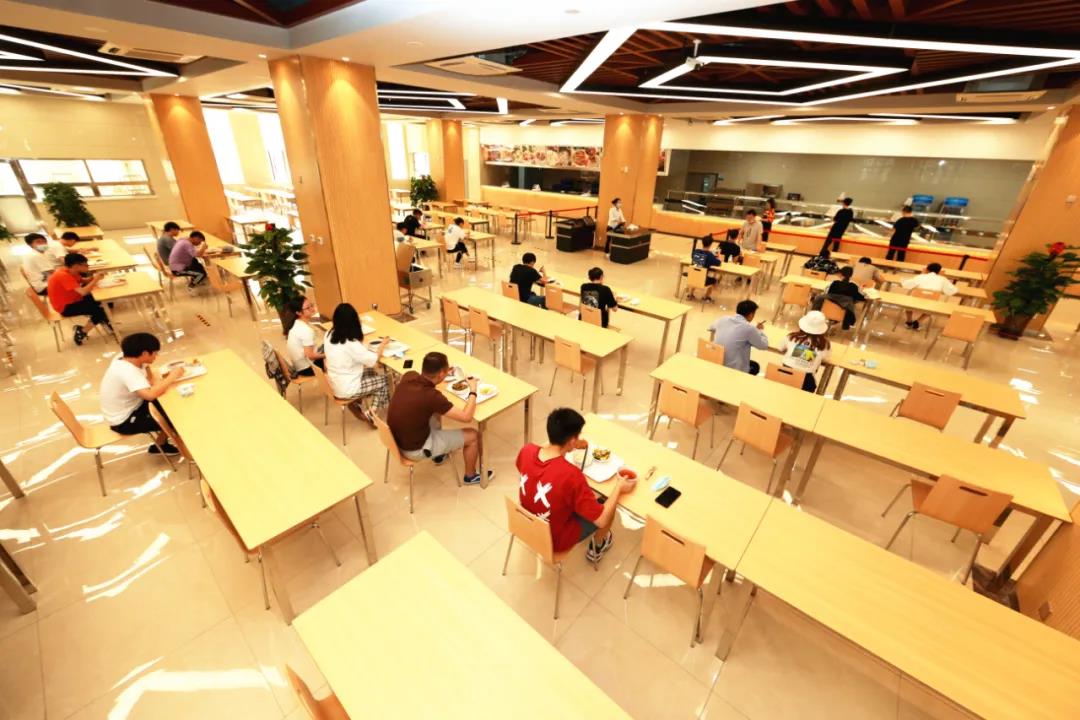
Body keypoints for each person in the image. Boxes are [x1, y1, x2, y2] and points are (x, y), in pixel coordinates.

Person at [517, 407, 636, 564]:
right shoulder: (571, 475)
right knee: (606, 504)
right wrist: (619, 487)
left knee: (571, 496)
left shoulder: (527, 450)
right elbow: (601, 520)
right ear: (572, 440)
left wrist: (570, 445)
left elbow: (534, 468)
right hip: (554, 539)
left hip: (524, 523)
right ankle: (597, 547)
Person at [386, 350, 492, 485]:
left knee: (435, 412)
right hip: (415, 449)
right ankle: (470, 476)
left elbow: (427, 388)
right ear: (441, 373)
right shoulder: (431, 396)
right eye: (445, 371)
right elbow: (467, 417)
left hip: (397, 439)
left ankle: (439, 455)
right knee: (473, 435)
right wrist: (473, 389)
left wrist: (444, 374)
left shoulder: (409, 376)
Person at [100, 332, 183, 455]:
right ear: (144, 353)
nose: (156, 356)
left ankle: (161, 443)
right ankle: (167, 446)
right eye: (155, 353)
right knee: (176, 418)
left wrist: (151, 379)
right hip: (124, 421)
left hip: (134, 405)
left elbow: (146, 367)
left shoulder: (126, 356)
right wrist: (172, 377)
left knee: (172, 402)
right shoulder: (127, 371)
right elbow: (149, 395)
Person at [323, 303, 391, 423]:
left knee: (371, 371)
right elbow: (374, 360)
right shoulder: (350, 344)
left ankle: (358, 402)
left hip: (334, 382)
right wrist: (383, 344)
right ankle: (371, 414)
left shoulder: (329, 334)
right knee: (386, 380)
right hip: (347, 388)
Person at [47, 253, 110, 345]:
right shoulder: (62, 275)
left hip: (74, 299)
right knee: (100, 310)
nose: (88, 267)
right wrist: (95, 280)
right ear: (76, 266)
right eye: (85, 265)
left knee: (104, 301)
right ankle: (82, 332)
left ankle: (105, 321)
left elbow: (83, 281)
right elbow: (83, 292)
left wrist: (93, 277)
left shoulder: (70, 271)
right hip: (65, 307)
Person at [708, 299, 769, 375]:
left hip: (715, 361)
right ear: (751, 314)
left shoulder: (723, 319)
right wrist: (760, 330)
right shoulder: (749, 329)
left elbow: (710, 327)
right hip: (733, 369)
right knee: (755, 367)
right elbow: (764, 346)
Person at [779, 311, 831, 393]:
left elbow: (780, 348)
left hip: (784, 375)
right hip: (806, 382)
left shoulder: (791, 337)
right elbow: (826, 359)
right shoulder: (824, 344)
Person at [901, 263, 957, 330]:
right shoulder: (943, 279)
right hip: (930, 305)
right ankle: (918, 321)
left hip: (915, 302)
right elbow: (952, 291)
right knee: (934, 305)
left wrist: (922, 274)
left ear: (927, 269)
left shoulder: (921, 276)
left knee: (908, 303)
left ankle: (909, 321)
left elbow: (906, 285)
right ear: (939, 271)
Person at [284, 296, 324, 376]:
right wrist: (327, 355)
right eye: (308, 308)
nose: (312, 309)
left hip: (300, 366)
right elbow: (310, 356)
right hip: (307, 369)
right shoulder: (306, 330)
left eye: (311, 305)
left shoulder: (296, 323)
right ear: (298, 312)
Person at [817, 266, 865, 330]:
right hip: (843, 314)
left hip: (826, 311)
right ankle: (835, 322)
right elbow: (859, 298)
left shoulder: (835, 283)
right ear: (851, 275)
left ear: (841, 274)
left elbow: (828, 294)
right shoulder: (853, 287)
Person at [688, 236, 722, 302]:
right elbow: (718, 263)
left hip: (693, 277)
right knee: (714, 280)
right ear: (711, 244)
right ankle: (706, 297)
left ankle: (690, 294)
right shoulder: (710, 255)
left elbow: (694, 259)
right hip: (703, 279)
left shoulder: (696, 251)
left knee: (697, 274)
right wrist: (719, 256)